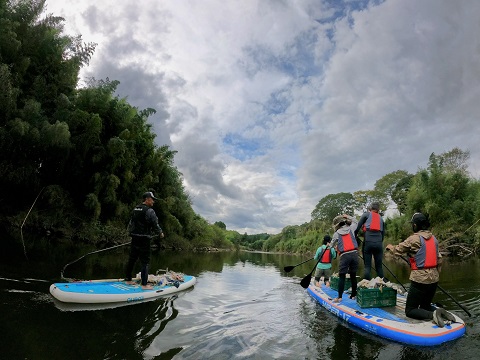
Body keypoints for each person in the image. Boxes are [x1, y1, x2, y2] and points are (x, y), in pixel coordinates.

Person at [385, 212, 455, 327]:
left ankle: (432, 315)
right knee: (425, 306)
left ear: (415, 225)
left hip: (419, 279)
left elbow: (398, 250)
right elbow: (439, 260)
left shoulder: (414, 239)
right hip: (434, 278)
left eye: (413, 224)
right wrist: (434, 275)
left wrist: (390, 247)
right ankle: (440, 312)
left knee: (410, 310)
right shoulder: (434, 239)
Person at [125, 191, 164, 289]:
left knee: (132, 259)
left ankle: (128, 279)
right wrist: (160, 233)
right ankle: (144, 284)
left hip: (134, 238)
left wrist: (131, 234)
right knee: (145, 262)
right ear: (147, 199)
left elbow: (131, 224)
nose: (153, 202)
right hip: (144, 239)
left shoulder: (135, 209)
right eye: (152, 199)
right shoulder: (150, 211)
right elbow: (155, 224)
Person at [330, 214, 359, 302]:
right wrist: (348, 216)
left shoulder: (336, 234)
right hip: (354, 254)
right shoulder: (351, 228)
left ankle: (339, 297)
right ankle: (353, 295)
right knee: (353, 275)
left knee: (342, 276)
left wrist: (332, 247)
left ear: (337, 225)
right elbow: (356, 221)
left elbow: (331, 245)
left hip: (344, 256)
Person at [355, 202, 385, 280]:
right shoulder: (381, 218)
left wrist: (355, 235)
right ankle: (382, 284)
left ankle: (367, 285)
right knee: (379, 267)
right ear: (378, 210)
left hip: (368, 242)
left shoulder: (366, 215)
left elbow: (357, 227)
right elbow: (383, 234)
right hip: (379, 243)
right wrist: (379, 242)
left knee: (367, 266)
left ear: (370, 208)